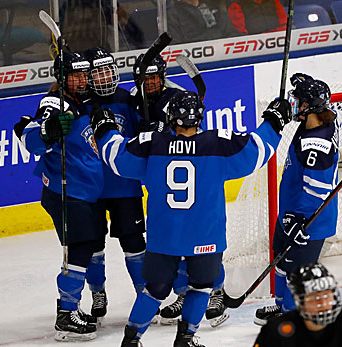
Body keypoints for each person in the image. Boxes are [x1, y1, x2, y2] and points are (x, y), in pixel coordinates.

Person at [89, 90, 292, 346]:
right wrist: (274, 121)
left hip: (165, 236)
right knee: (202, 285)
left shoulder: (152, 143)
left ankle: (131, 339)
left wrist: (105, 128)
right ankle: (186, 338)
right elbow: (257, 150)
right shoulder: (218, 143)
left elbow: (115, 157)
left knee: (155, 289)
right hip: (205, 234)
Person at [131, 53, 231, 328]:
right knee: (178, 239)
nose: (150, 83)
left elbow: (192, 131)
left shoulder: (176, 95)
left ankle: (215, 293)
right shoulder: (133, 98)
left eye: (154, 77)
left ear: (162, 76)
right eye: (145, 78)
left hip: (191, 167)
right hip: (163, 174)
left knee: (200, 236)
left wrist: (161, 133)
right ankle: (186, 294)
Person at [13, 51, 101, 341]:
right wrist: (49, 131)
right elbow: (33, 136)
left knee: (85, 246)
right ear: (62, 77)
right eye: (75, 75)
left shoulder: (81, 101)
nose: (81, 80)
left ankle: (70, 308)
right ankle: (66, 314)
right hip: (65, 190)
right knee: (80, 247)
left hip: (81, 190)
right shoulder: (55, 102)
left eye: (83, 74)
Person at [254, 74, 340, 326]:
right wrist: (307, 83)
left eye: (299, 101)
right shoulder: (319, 120)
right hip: (290, 212)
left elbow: (317, 189)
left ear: (311, 106)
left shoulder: (317, 145)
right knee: (280, 261)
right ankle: (282, 307)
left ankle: (293, 318)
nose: (294, 105)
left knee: (297, 273)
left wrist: (298, 220)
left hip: (308, 222)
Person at [80, 46, 150, 320]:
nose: (106, 76)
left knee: (133, 242)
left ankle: (144, 293)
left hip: (125, 186)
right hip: (92, 189)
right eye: (99, 72)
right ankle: (98, 292)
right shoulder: (81, 104)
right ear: (88, 76)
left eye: (109, 69)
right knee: (93, 245)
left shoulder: (128, 99)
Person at [253, 262, 342, 347]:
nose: (324, 303)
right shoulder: (277, 332)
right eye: (315, 298)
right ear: (299, 301)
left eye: (327, 295)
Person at [167, 0, 242, 44]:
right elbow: (175, 44)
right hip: (197, 61)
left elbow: (230, 31)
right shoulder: (173, 14)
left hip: (223, 54)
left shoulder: (213, 5)